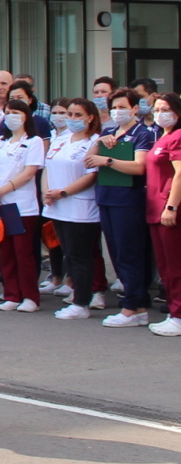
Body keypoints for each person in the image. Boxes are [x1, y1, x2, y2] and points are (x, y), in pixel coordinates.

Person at [86, 89, 156, 327]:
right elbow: (88, 158)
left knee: (130, 253)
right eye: (114, 107)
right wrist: (98, 143)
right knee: (116, 253)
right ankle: (138, 304)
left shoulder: (143, 133)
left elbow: (139, 167)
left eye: (122, 107)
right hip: (107, 197)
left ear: (135, 108)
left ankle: (132, 306)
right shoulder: (108, 132)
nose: (117, 112)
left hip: (129, 200)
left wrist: (108, 160)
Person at [43, 99, 104, 319]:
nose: (72, 119)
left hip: (79, 206)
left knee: (80, 255)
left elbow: (92, 175)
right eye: (70, 114)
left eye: (78, 115)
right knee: (68, 253)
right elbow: (47, 166)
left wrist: (64, 192)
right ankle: (76, 295)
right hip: (57, 205)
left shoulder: (95, 142)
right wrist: (47, 191)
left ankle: (82, 302)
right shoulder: (61, 138)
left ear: (90, 117)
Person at [0, 100, 46, 313]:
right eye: (8, 112)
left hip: (22, 206)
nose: (11, 116)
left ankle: (30, 296)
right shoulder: (1, 141)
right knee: (6, 252)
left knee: (24, 253)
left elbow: (29, 172)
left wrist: (3, 190)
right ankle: (11, 294)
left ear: (26, 116)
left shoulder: (34, 141)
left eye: (16, 112)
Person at [144, 93, 181, 337]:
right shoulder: (162, 136)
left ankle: (178, 315)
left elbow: (180, 173)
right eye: (157, 109)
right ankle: (173, 311)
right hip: (154, 209)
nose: (160, 113)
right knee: (165, 266)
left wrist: (171, 206)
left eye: (166, 108)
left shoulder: (177, 137)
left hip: (168, 209)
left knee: (175, 265)